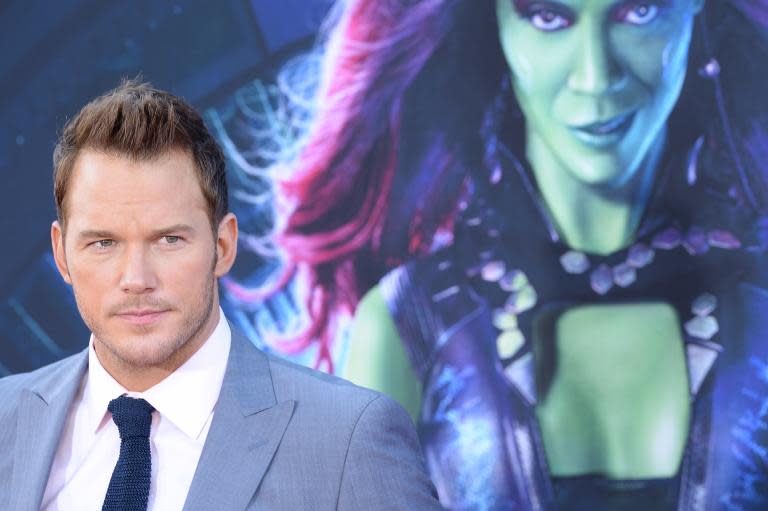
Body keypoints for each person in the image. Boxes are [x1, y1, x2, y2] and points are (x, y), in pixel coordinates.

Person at [226, 0, 768, 509]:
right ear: (495, 23)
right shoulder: (405, 325)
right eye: (548, 16)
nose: (595, 77)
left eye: (639, 10)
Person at [0, 81, 441, 511]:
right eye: (103, 243)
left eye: (169, 239)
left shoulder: (348, 439)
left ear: (223, 246)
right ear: (62, 254)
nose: (136, 278)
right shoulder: (7, 420)